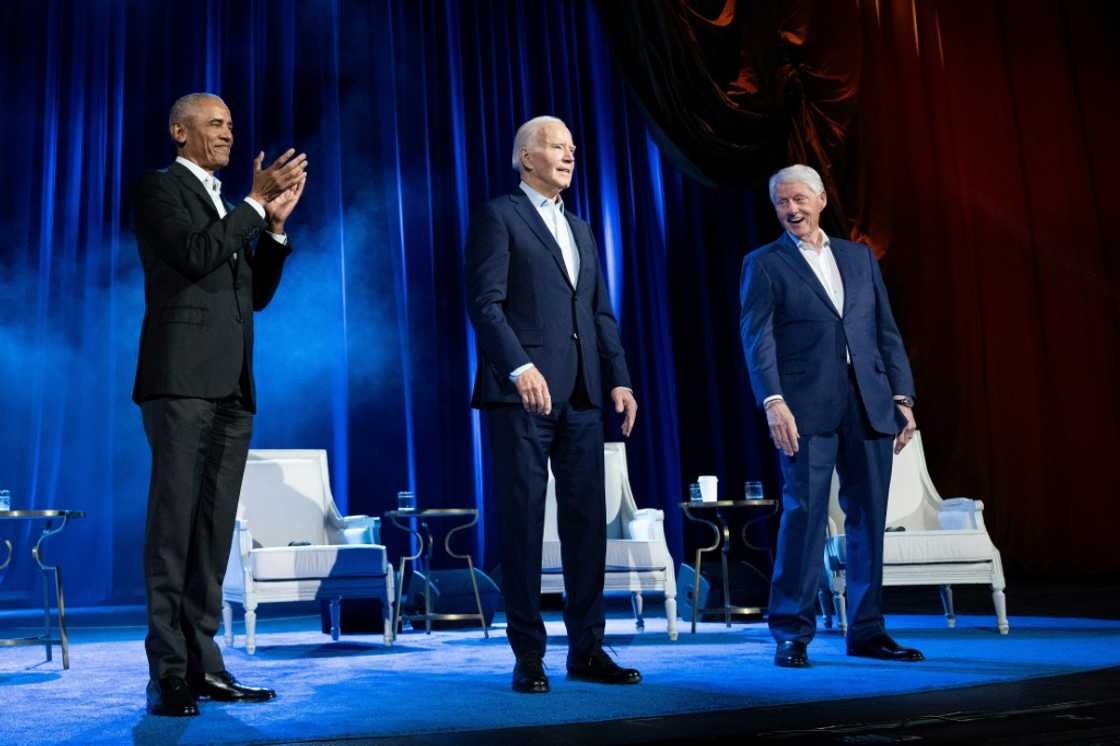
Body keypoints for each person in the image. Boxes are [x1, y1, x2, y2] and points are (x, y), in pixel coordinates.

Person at [132, 92, 307, 716]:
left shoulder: (230, 207)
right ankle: (168, 674)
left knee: (211, 534)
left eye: (231, 124)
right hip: (179, 381)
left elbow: (252, 295)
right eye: (214, 124)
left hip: (233, 387)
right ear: (179, 131)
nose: (228, 133)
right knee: (174, 530)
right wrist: (257, 204)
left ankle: (206, 665)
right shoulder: (159, 190)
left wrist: (276, 229)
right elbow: (197, 256)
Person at [465, 116, 641, 693]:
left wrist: (618, 378)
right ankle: (529, 655)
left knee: (588, 526)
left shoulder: (582, 229)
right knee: (522, 525)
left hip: (585, 394)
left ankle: (587, 650)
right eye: (556, 147)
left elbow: (599, 312)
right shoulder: (499, 216)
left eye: (572, 147)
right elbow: (485, 305)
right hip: (522, 397)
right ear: (525, 157)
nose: (569, 155)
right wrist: (519, 367)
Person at [739, 164, 924, 668]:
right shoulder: (765, 263)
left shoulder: (858, 257)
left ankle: (867, 630)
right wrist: (773, 402)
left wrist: (902, 399)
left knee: (869, 519)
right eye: (781, 203)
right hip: (804, 409)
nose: (791, 210)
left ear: (820, 199)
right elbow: (759, 340)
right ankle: (791, 632)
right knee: (804, 516)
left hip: (868, 402)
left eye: (799, 199)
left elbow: (885, 332)